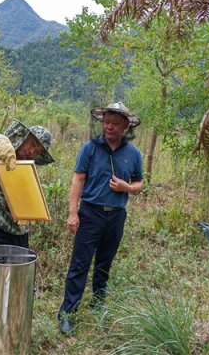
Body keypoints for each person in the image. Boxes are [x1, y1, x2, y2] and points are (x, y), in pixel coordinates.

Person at [57, 102, 144, 335]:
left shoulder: (133, 154)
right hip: (90, 213)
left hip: (116, 216)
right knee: (80, 264)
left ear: (125, 126)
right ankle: (67, 313)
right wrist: (73, 213)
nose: (109, 127)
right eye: (106, 122)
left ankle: (98, 305)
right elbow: (77, 180)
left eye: (115, 124)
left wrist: (127, 187)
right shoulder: (90, 148)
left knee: (104, 264)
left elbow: (140, 183)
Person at [0, 120, 54, 249]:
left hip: (20, 234)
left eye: (38, 151)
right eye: (32, 144)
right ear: (24, 137)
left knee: (20, 270)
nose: (31, 151)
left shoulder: (28, 168)